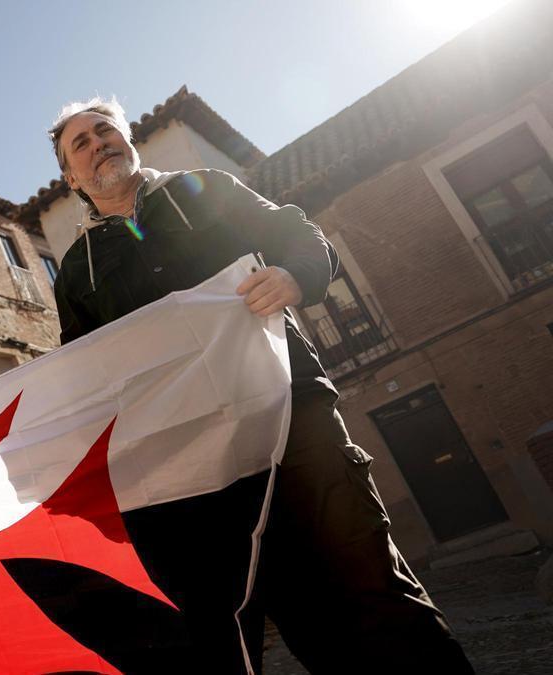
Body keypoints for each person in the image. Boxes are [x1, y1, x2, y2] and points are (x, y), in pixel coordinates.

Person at [48, 98, 473, 673]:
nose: (98, 143)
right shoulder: (77, 271)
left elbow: (302, 238)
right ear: (70, 176)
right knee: (303, 616)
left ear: (130, 141)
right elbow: (85, 374)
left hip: (293, 418)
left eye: (106, 131)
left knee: (372, 581)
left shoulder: (209, 189)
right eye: (81, 143)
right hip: (204, 469)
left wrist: (296, 276)